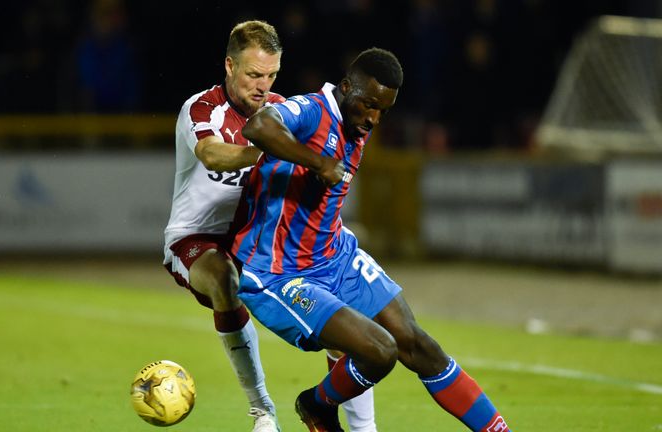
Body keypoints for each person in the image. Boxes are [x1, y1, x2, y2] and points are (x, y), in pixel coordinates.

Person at [231, 47, 512, 431]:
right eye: (367, 105)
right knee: (380, 351)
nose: (373, 118)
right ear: (346, 88)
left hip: (335, 255)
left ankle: (499, 430)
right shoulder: (314, 110)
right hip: (280, 273)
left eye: (383, 110)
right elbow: (258, 127)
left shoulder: (356, 122)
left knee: (419, 345)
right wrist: (315, 161)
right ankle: (316, 405)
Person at [163, 19, 379, 432]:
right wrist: (278, 155)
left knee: (343, 325)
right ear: (229, 66)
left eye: (271, 75)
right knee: (223, 279)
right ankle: (262, 411)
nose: (262, 85)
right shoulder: (202, 109)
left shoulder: (281, 111)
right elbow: (213, 155)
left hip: (261, 244)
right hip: (197, 239)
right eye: (253, 74)